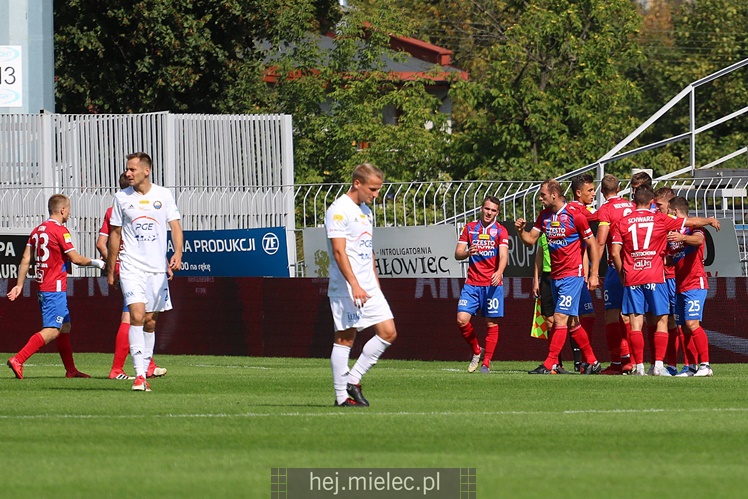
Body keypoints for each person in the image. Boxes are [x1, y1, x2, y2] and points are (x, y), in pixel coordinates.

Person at [610, 185, 720, 376]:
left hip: (634, 276)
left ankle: (640, 367)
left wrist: (622, 273)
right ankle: (660, 366)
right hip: (655, 275)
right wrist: (709, 220)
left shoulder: (623, 221)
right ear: (650, 201)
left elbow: (614, 252)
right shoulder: (659, 219)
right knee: (663, 320)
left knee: (636, 322)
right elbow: (691, 221)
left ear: (634, 202)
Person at [107, 152, 183, 392]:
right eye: (127, 170)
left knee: (150, 321)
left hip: (156, 270)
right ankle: (140, 375)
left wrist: (178, 253)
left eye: (132, 169)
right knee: (136, 316)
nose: (128, 173)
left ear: (146, 171)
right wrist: (112, 269)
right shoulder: (121, 197)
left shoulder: (163, 194)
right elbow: (115, 235)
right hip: (131, 266)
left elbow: (176, 226)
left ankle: (146, 365)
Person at [6, 194, 105, 379]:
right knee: (53, 329)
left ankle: (71, 370)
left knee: (65, 326)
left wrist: (19, 285)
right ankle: (18, 359)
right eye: (69, 209)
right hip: (54, 288)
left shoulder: (37, 230)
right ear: (62, 210)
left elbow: (26, 258)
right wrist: (97, 263)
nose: (70, 212)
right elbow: (76, 259)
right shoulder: (60, 231)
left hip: (43, 285)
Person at [325, 163, 397, 407]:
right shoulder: (338, 210)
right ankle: (341, 396)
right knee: (345, 338)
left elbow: (368, 249)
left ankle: (352, 380)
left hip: (368, 285)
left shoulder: (366, 210)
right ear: (357, 183)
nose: (376, 195)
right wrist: (354, 284)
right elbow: (338, 251)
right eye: (373, 189)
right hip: (346, 286)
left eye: (378, 190)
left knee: (388, 332)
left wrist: (374, 282)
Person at [515, 179, 602, 375]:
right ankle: (593, 362)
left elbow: (593, 244)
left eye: (543, 195)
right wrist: (520, 231)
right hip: (555, 276)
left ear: (554, 195)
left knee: (560, 318)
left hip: (573, 275)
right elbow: (530, 240)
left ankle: (550, 364)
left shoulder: (575, 215)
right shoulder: (544, 216)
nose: (540, 198)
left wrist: (594, 273)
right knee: (572, 322)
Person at [97, 171, 167, 380]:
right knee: (131, 316)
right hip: (132, 269)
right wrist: (117, 265)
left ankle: (148, 365)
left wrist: (113, 263)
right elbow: (104, 243)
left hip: (136, 267)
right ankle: (118, 368)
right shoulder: (118, 209)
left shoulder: (113, 209)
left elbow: (102, 244)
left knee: (142, 316)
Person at [455, 196, 509, 374]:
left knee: (491, 324)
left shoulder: (500, 231)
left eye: (493, 210)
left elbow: (503, 256)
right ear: (481, 209)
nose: (489, 213)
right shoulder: (470, 228)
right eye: (487, 209)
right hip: (472, 283)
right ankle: (477, 351)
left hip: (492, 284)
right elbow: (457, 254)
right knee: (461, 319)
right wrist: (467, 252)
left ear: (497, 212)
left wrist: (499, 272)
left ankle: (486, 363)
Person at [667, 196, 713, 377]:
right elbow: (673, 258)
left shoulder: (695, 228)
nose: (668, 214)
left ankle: (706, 365)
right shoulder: (672, 232)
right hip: (680, 284)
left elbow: (698, 241)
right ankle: (691, 366)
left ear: (676, 211)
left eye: (670, 212)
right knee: (683, 327)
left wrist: (683, 237)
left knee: (692, 323)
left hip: (695, 283)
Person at [594, 174, 635, 374]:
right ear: (619, 189)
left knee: (612, 315)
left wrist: (594, 271)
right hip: (636, 265)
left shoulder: (606, 210)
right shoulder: (631, 206)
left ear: (602, 191)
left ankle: (618, 362)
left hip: (615, 266)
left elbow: (601, 241)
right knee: (630, 316)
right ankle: (634, 361)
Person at [567, 173, 599, 371]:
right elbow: (599, 216)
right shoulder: (576, 210)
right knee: (566, 319)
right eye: (590, 190)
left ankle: (584, 360)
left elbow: (585, 248)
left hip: (579, 272)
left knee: (584, 316)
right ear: (578, 193)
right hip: (569, 274)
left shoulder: (578, 209)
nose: (594, 193)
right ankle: (582, 360)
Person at [654, 186, 686, 375]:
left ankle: (692, 363)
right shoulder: (659, 221)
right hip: (661, 278)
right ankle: (671, 365)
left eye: (659, 205)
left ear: (670, 203)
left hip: (675, 277)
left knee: (681, 321)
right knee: (666, 321)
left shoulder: (680, 224)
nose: (656, 208)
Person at [532, 233, 572, 374]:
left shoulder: (564, 229)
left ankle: (580, 362)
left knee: (567, 319)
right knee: (549, 321)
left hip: (564, 276)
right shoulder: (543, 232)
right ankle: (555, 363)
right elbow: (539, 256)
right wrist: (536, 280)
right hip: (547, 277)